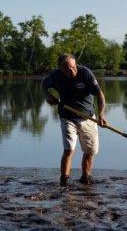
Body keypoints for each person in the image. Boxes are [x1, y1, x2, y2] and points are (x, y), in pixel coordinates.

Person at [42, 53, 108, 186]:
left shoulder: (85, 73)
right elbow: (44, 84)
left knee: (90, 151)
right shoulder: (55, 76)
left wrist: (101, 114)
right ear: (60, 69)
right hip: (67, 117)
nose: (71, 71)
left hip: (88, 117)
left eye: (73, 67)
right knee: (69, 149)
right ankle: (64, 182)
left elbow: (100, 95)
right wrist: (47, 95)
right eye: (67, 69)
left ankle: (85, 179)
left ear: (75, 64)